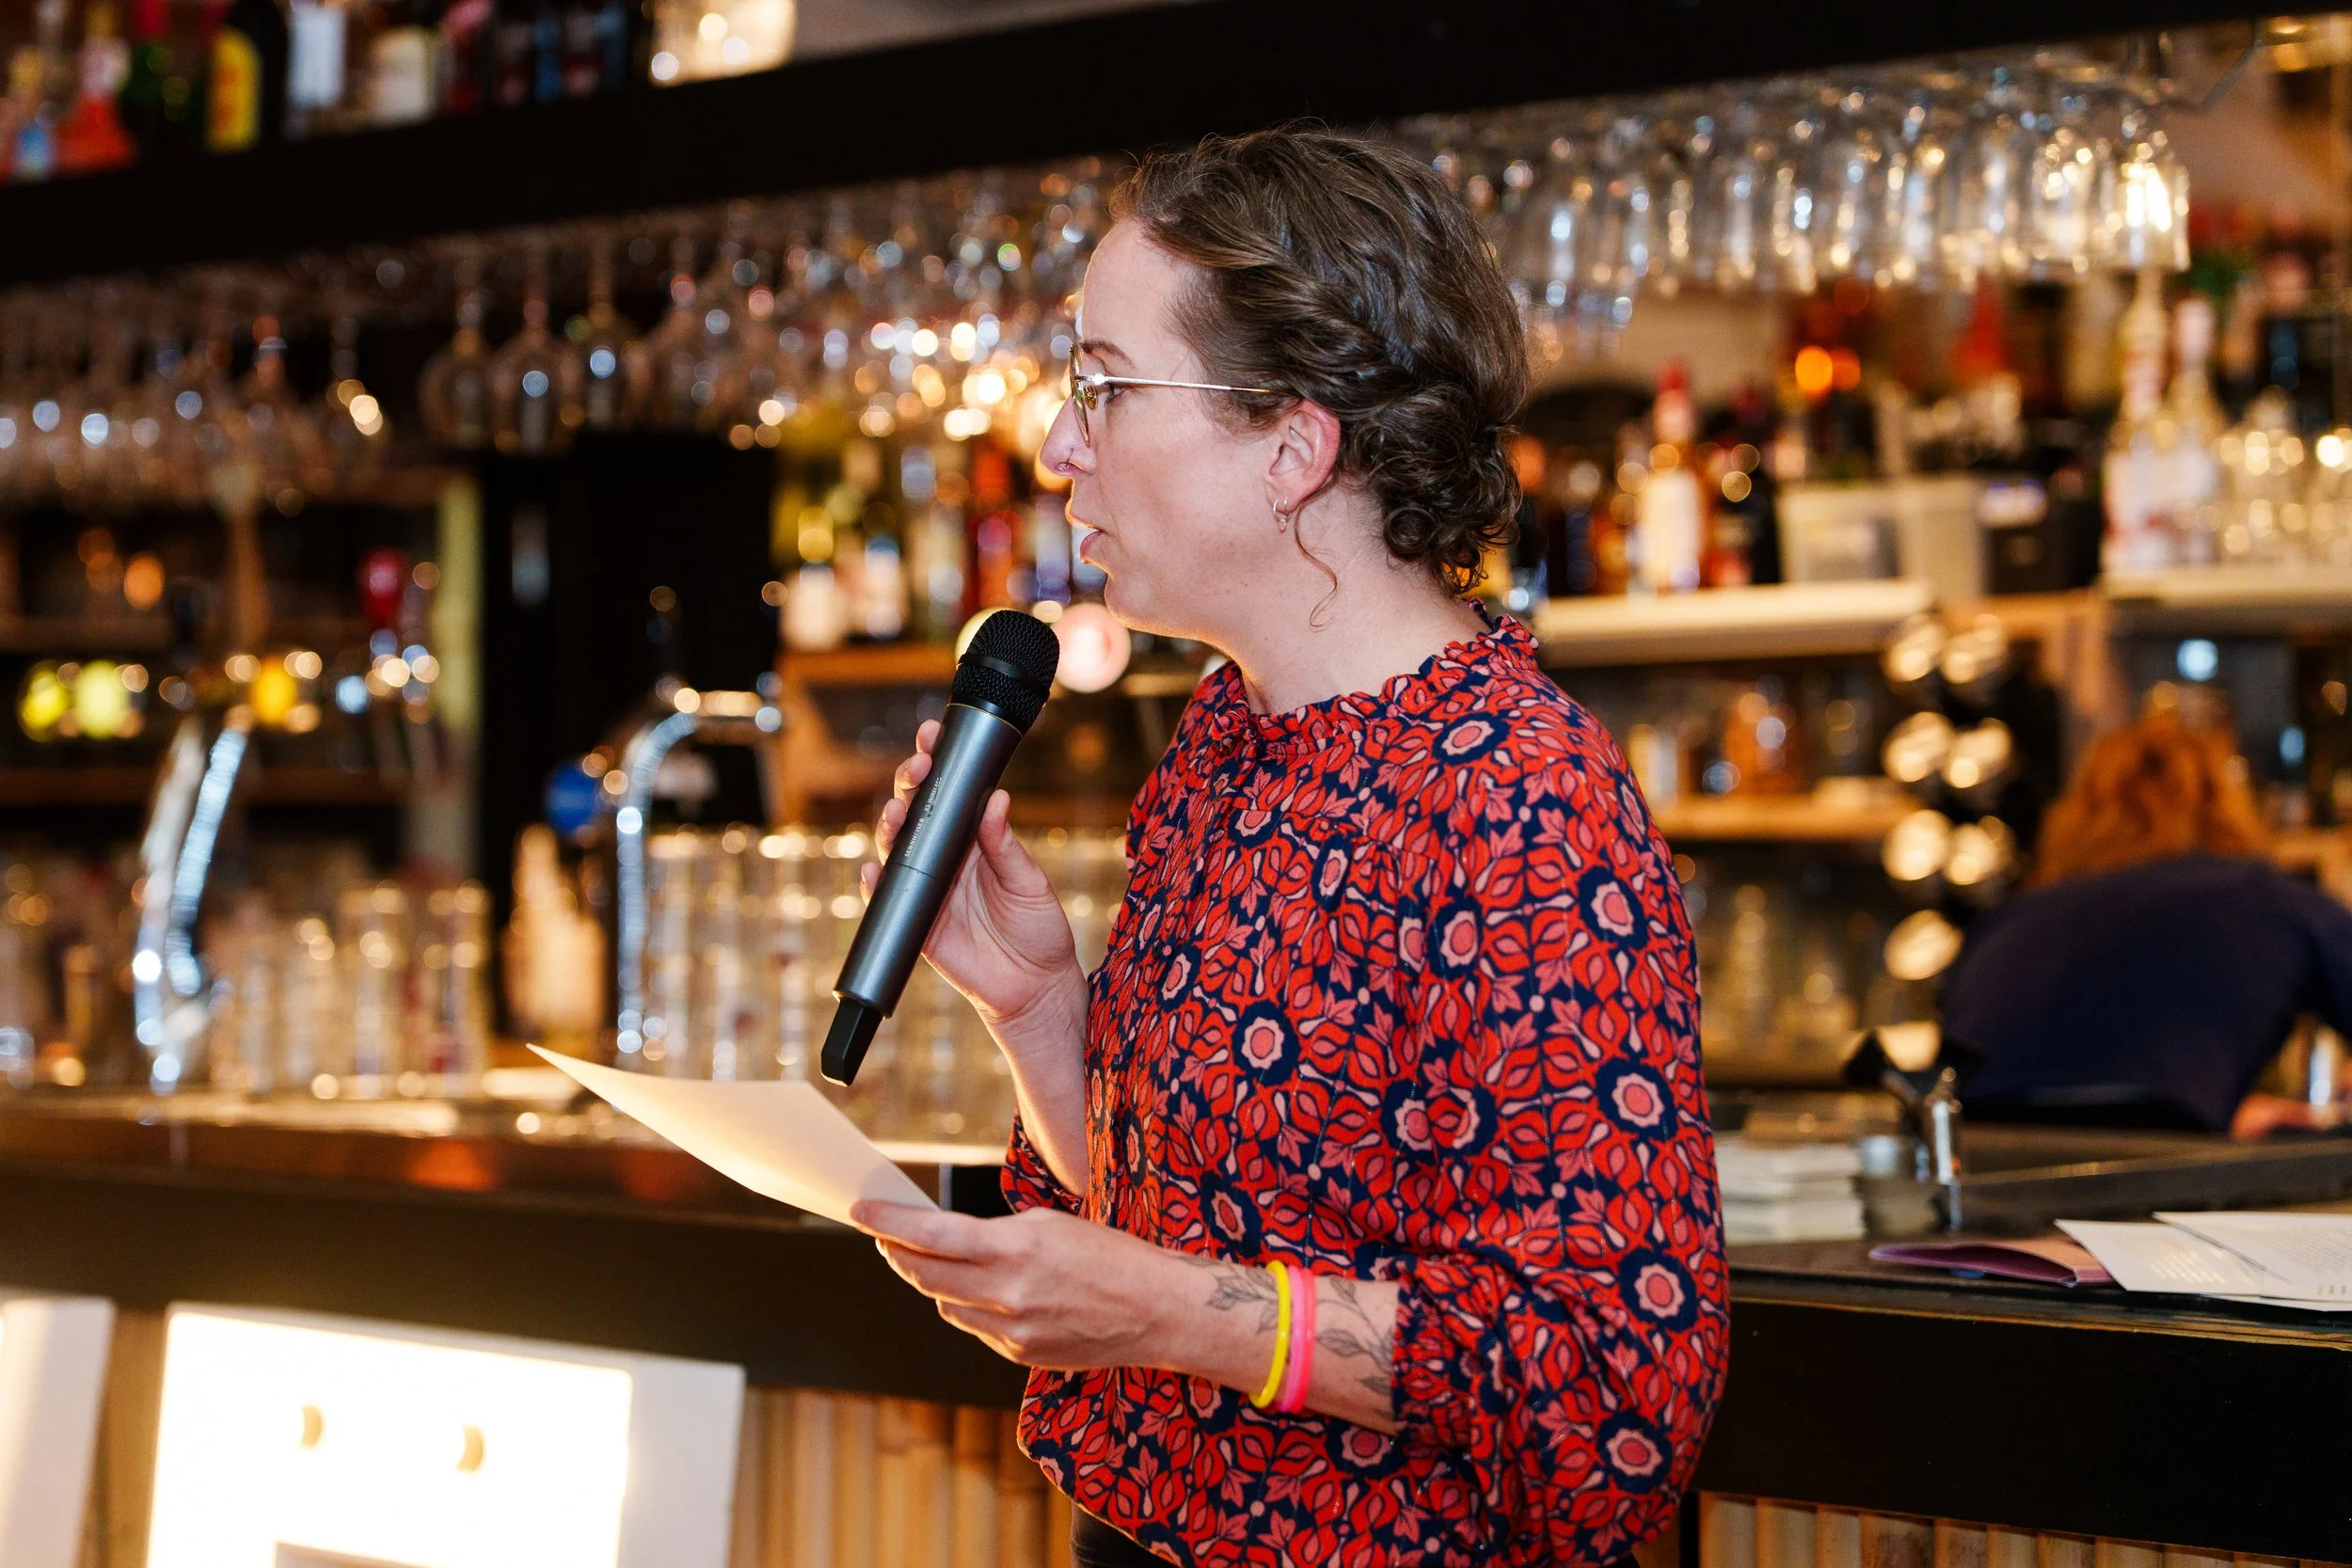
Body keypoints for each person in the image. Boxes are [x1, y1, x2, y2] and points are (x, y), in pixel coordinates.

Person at [849, 128, 1725, 1568]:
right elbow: (1201, 1208)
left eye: (1106, 388)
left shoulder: (1517, 794)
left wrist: (1163, 1317)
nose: (1059, 443)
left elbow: (1613, 1389)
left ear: (1294, 446)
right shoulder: (1225, 738)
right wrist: (1042, 1012)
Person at [1943, 711, 2352, 1138]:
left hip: (1983, 1158)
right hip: (2156, 1164)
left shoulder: (2008, 919)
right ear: (2227, 805)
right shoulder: (2266, 897)